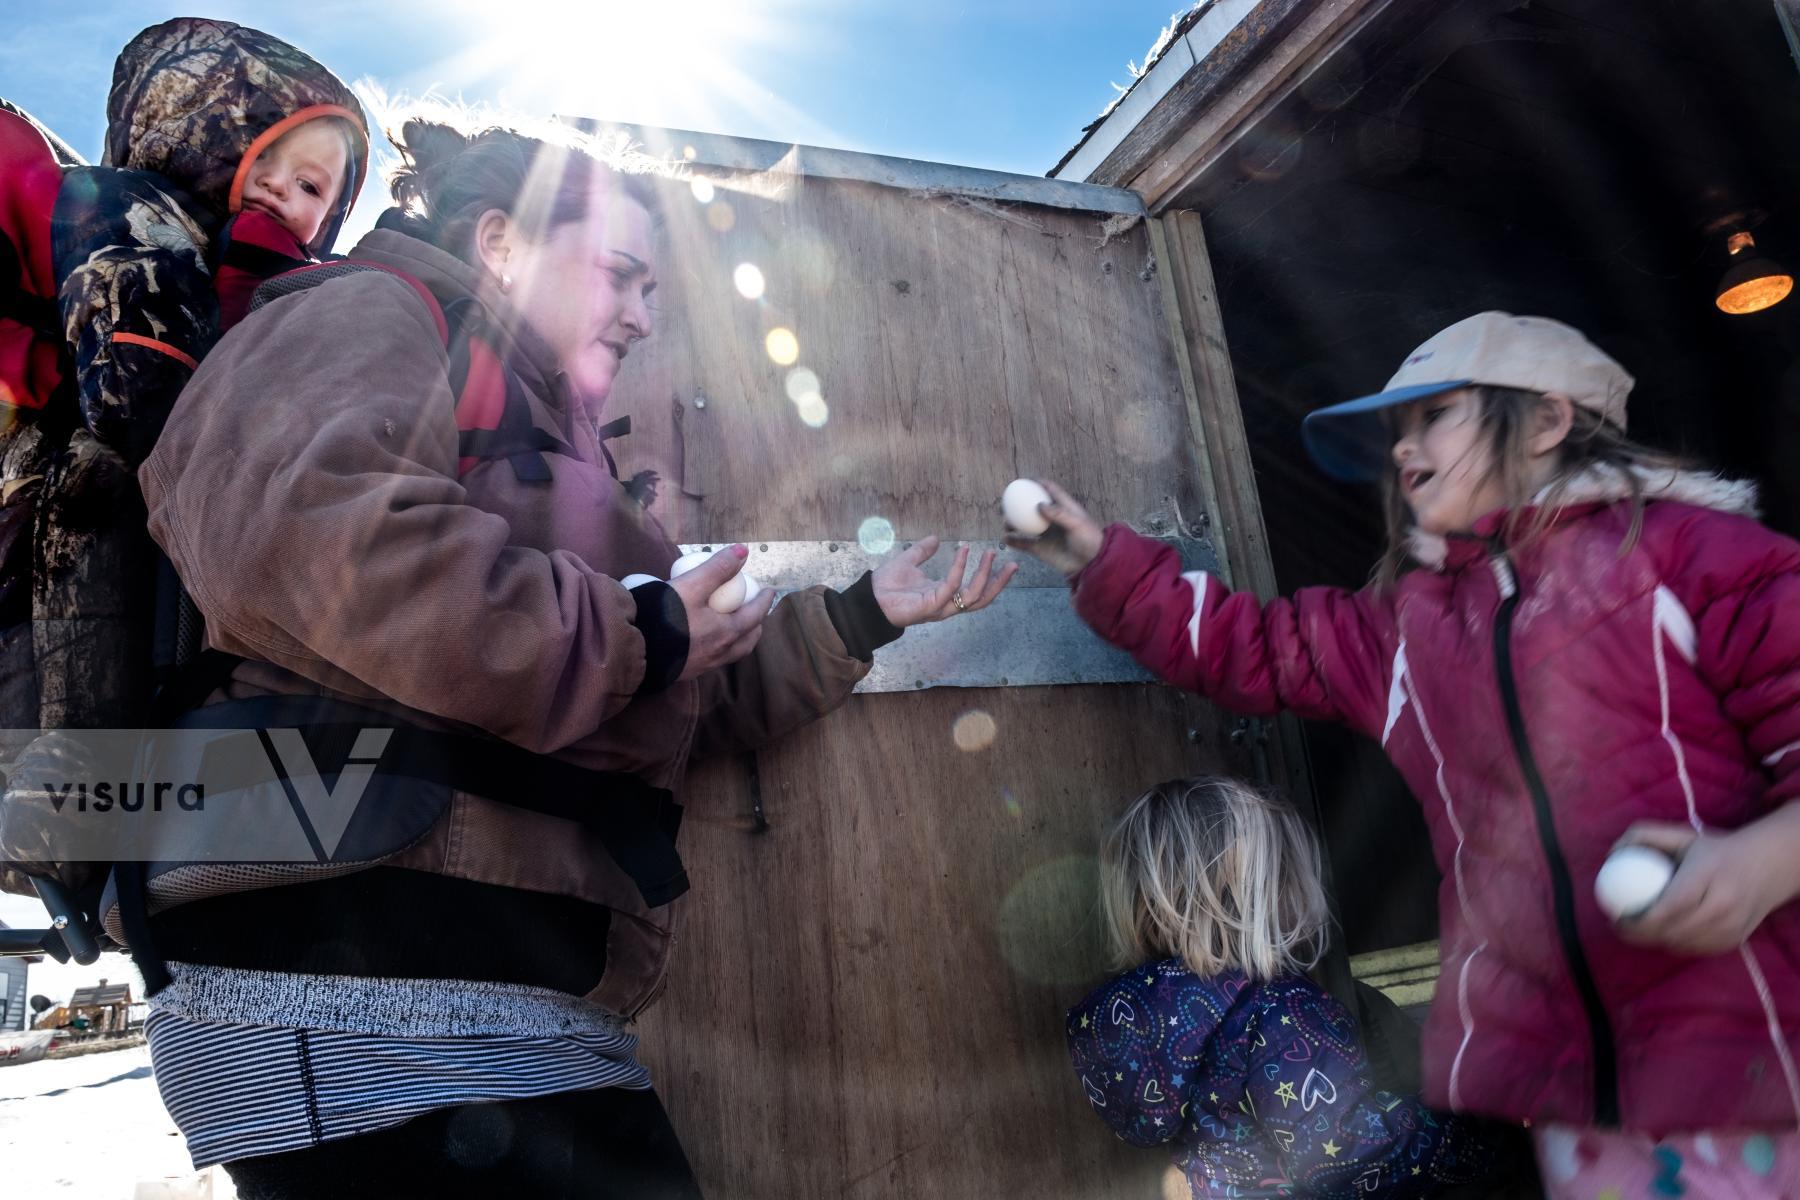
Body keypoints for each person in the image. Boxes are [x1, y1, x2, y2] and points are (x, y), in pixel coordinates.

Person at [132, 115, 1015, 1198]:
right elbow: (316, 538)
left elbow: (644, 690)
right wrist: (643, 629)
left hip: (487, 1007)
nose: (644, 315)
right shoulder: (360, 312)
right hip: (353, 996)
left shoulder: (543, 432)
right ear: (501, 242)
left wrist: (856, 619)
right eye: (623, 276)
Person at [1017, 312, 1800, 1197]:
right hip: (1569, 1090)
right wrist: (1098, 563)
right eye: (1396, 429)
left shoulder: (1706, 561)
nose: (1402, 447)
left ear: (1545, 421)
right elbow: (1251, 645)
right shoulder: (1406, 626)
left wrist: (1761, 864)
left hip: (1757, 1057)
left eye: (1434, 416)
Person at [1067, 776, 1493, 1198]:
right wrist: (1476, 1127)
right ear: (1247, 899)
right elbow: (1352, 1158)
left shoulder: (1159, 1029)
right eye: (1291, 873)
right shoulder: (1280, 1012)